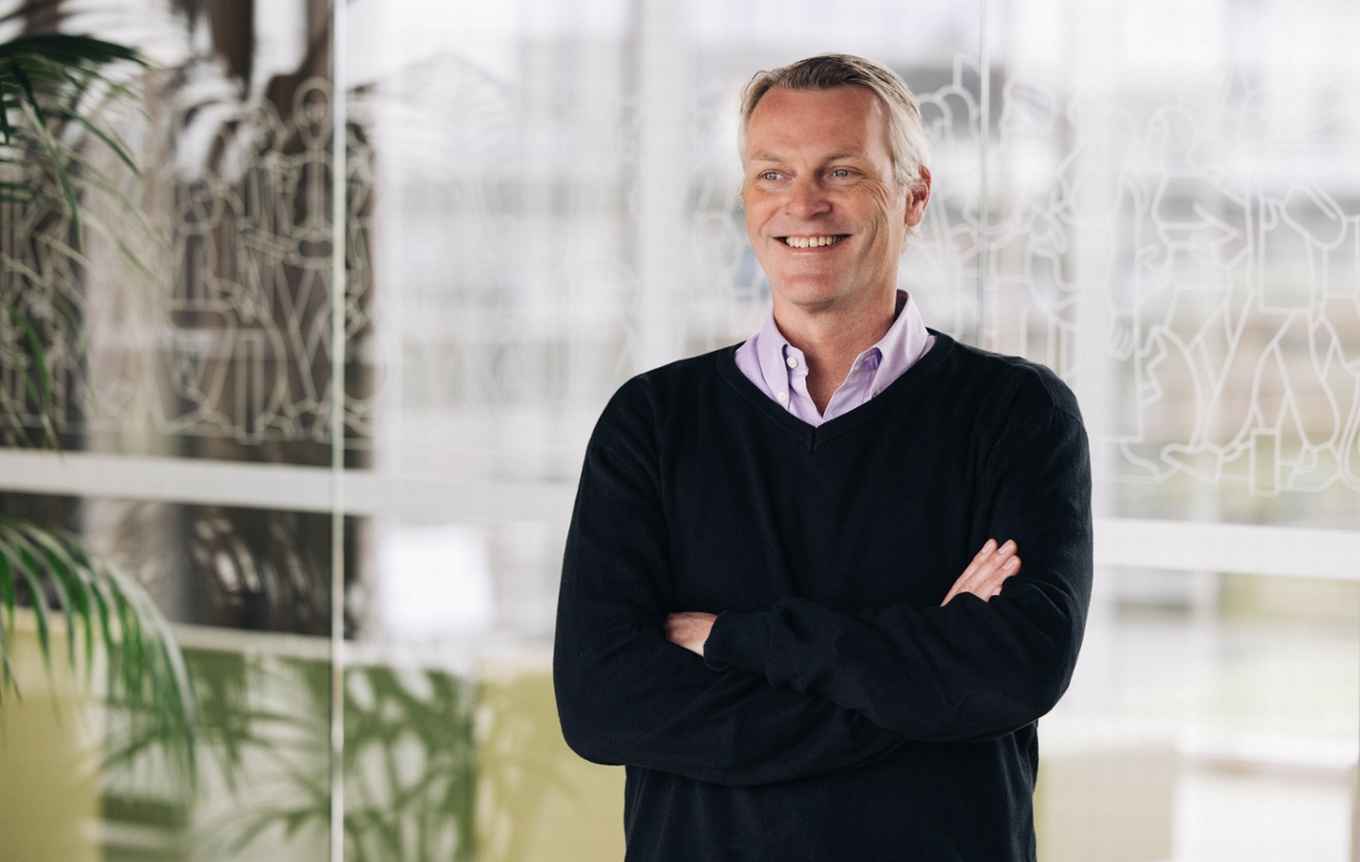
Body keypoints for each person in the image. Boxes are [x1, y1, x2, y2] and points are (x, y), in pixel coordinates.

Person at [553, 53, 1093, 862]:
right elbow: (601, 707)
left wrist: (735, 641)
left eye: (842, 171)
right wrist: (919, 685)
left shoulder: (1018, 416)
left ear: (914, 197)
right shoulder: (654, 423)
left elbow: (1016, 673)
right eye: (773, 174)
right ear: (746, 198)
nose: (802, 203)